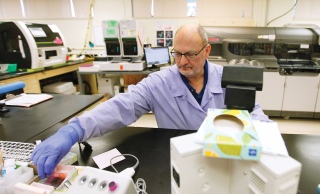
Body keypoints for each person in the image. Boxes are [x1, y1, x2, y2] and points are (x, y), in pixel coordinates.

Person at [31, 24, 270, 179]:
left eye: (190, 54)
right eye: (176, 53)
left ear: (206, 51)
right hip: (177, 163)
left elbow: (255, 115)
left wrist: (271, 143)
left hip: (223, 164)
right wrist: (74, 130)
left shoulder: (227, 77)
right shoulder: (159, 82)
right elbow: (122, 106)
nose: (182, 61)